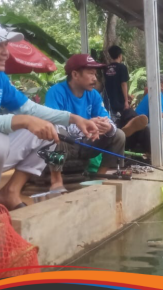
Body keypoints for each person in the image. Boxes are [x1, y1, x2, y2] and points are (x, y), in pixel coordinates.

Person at [0, 22, 98, 210]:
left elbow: (29, 109)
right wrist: (22, 120)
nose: (6, 52)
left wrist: (74, 118)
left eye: (6, 45)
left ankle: (9, 192)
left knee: (51, 131)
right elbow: (25, 117)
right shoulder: (57, 91)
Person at [45, 54, 126, 191]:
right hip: (66, 145)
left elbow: (107, 119)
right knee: (56, 136)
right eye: (90, 74)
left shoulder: (93, 94)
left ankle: (100, 175)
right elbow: (53, 124)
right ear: (75, 74)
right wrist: (87, 124)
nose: (95, 78)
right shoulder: (56, 92)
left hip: (87, 143)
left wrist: (106, 127)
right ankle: (56, 180)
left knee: (118, 134)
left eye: (95, 74)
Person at [103, 45, 130, 115]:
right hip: (119, 100)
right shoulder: (122, 67)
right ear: (120, 55)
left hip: (108, 99)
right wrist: (126, 101)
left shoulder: (106, 68)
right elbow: (123, 84)